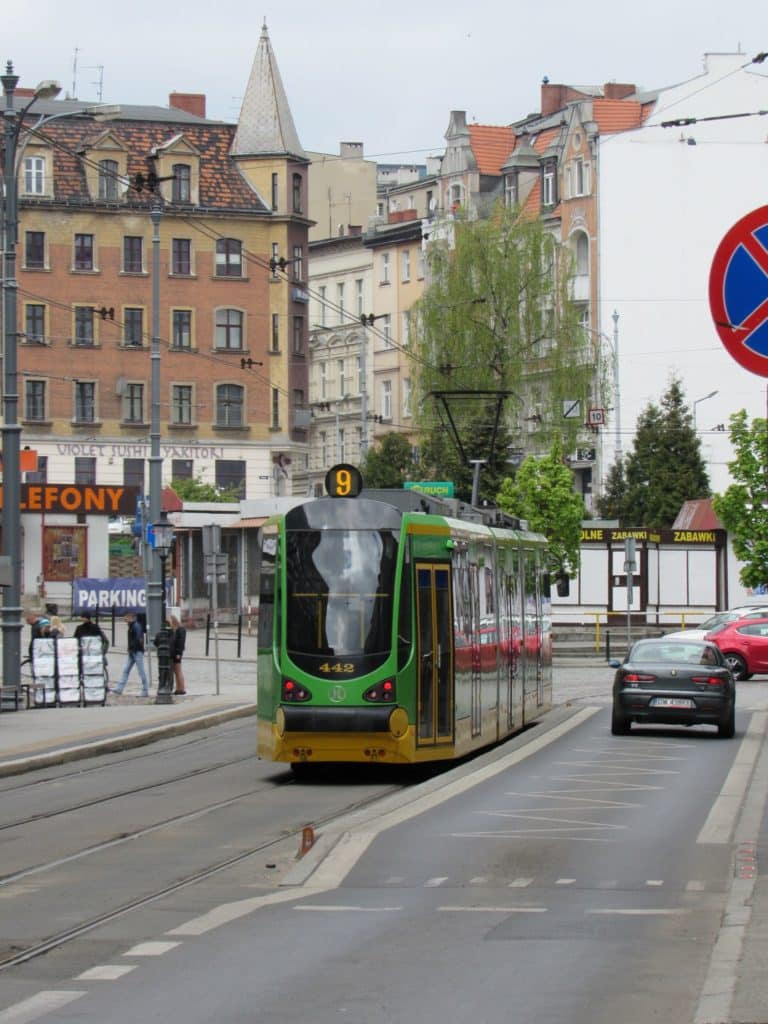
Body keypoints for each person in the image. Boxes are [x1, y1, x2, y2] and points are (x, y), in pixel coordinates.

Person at [113, 612, 149, 697]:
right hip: (133, 651)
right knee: (126, 670)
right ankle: (119, 688)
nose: (125, 620)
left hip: (136, 652)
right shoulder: (132, 626)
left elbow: (139, 639)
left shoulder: (136, 626)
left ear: (131, 618)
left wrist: (134, 648)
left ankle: (145, 690)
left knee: (141, 671)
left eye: (126, 618)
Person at [168, 614, 187, 694]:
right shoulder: (175, 630)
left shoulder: (180, 630)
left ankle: (181, 688)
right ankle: (179, 688)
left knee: (178, 671)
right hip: (176, 652)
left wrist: (178, 653)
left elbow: (180, 643)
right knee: (176, 671)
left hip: (177, 653)